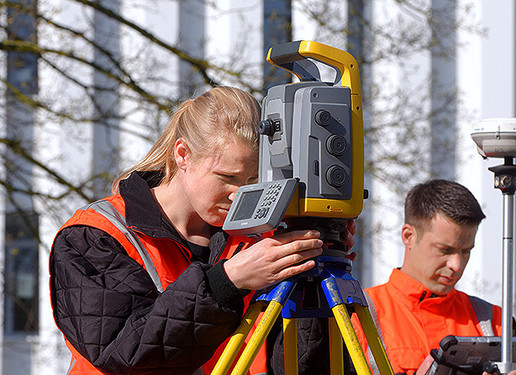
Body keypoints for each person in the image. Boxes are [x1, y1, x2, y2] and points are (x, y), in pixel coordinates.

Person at [50, 86, 343, 374]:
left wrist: (312, 266)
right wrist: (226, 282)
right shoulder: (95, 236)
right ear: (182, 154)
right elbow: (123, 351)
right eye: (227, 177)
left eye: (252, 179)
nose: (238, 193)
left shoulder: (257, 240)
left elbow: (294, 362)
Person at [350, 179, 516, 375]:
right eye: (444, 250)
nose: (456, 265)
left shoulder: (496, 321)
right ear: (408, 237)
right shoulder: (357, 316)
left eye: (466, 251)